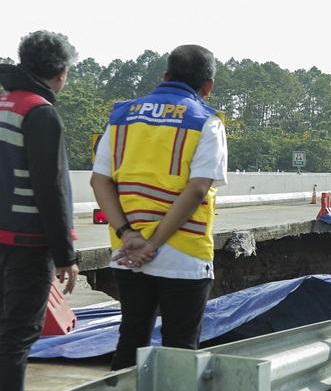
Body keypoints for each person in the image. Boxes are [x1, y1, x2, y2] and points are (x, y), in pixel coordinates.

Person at [90, 45, 228, 370]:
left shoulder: (122, 116)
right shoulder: (206, 122)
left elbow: (100, 181)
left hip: (127, 250)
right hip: (183, 252)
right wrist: (152, 244)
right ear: (208, 86)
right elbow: (196, 190)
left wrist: (128, 235)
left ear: (165, 76)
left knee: (130, 341)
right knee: (179, 350)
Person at [0, 31, 79, 391]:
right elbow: (50, 188)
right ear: (61, 72)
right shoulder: (40, 112)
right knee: (19, 332)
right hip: (28, 236)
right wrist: (66, 253)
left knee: (4, 326)